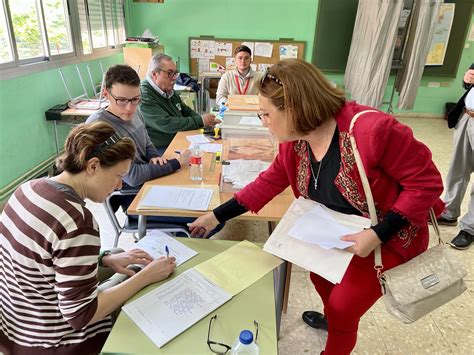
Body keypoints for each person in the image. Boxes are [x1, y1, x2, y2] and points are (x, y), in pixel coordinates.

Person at [189, 59, 444, 355]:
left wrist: (378, 233)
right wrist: (215, 216)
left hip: (386, 236)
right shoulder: (295, 139)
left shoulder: (372, 131)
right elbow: (271, 181)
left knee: (342, 306)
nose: (263, 122)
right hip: (334, 231)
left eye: (266, 114)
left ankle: (338, 330)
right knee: (319, 277)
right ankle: (335, 323)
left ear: (295, 109)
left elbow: (426, 184)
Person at [0, 122, 176, 354]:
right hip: (51, 342)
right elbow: (81, 315)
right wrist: (145, 277)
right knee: (138, 287)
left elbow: (44, 259)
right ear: (93, 166)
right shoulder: (77, 221)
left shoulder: (28, 189)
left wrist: (101, 259)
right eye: (118, 175)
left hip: (16, 327)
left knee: (117, 259)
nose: (119, 185)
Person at [86, 64, 189, 188]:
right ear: (106, 94)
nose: (130, 108)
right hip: (129, 189)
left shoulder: (135, 112)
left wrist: (154, 156)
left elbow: (147, 143)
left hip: (148, 176)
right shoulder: (99, 127)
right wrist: (177, 163)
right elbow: (133, 177)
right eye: (122, 100)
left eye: (135, 99)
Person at [140, 54, 218, 153]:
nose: (174, 78)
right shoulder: (144, 95)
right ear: (155, 74)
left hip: (178, 136)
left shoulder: (168, 89)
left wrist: (205, 122)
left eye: (175, 73)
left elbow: (185, 110)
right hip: (159, 147)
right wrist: (201, 121)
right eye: (169, 73)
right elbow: (167, 123)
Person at [440, 63, 474, 250]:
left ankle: (470, 227)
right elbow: (468, 85)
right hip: (467, 117)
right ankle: (449, 212)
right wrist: (466, 80)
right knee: (457, 170)